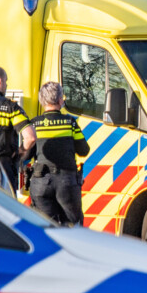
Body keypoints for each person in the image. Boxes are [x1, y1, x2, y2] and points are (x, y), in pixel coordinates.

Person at [26, 82, 90, 225]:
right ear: (60, 100)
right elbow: (84, 150)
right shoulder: (70, 123)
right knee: (72, 227)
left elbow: (26, 154)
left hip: (40, 182)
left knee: (44, 228)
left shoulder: (34, 124)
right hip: (66, 182)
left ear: (42, 101)